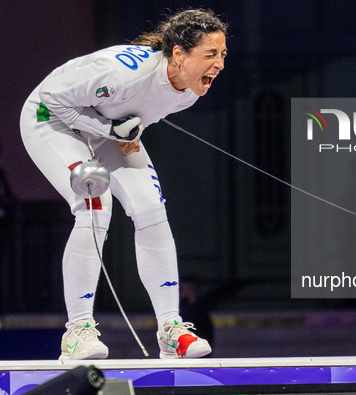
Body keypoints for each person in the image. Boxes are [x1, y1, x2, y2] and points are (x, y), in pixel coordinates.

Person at [20, 9, 228, 360]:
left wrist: (123, 130)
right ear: (179, 55)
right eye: (210, 55)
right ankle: (78, 333)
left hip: (105, 124)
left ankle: (170, 330)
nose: (219, 64)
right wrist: (113, 130)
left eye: (222, 55)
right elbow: (54, 100)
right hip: (50, 118)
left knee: (150, 206)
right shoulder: (122, 75)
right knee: (95, 203)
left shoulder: (188, 92)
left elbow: (133, 115)